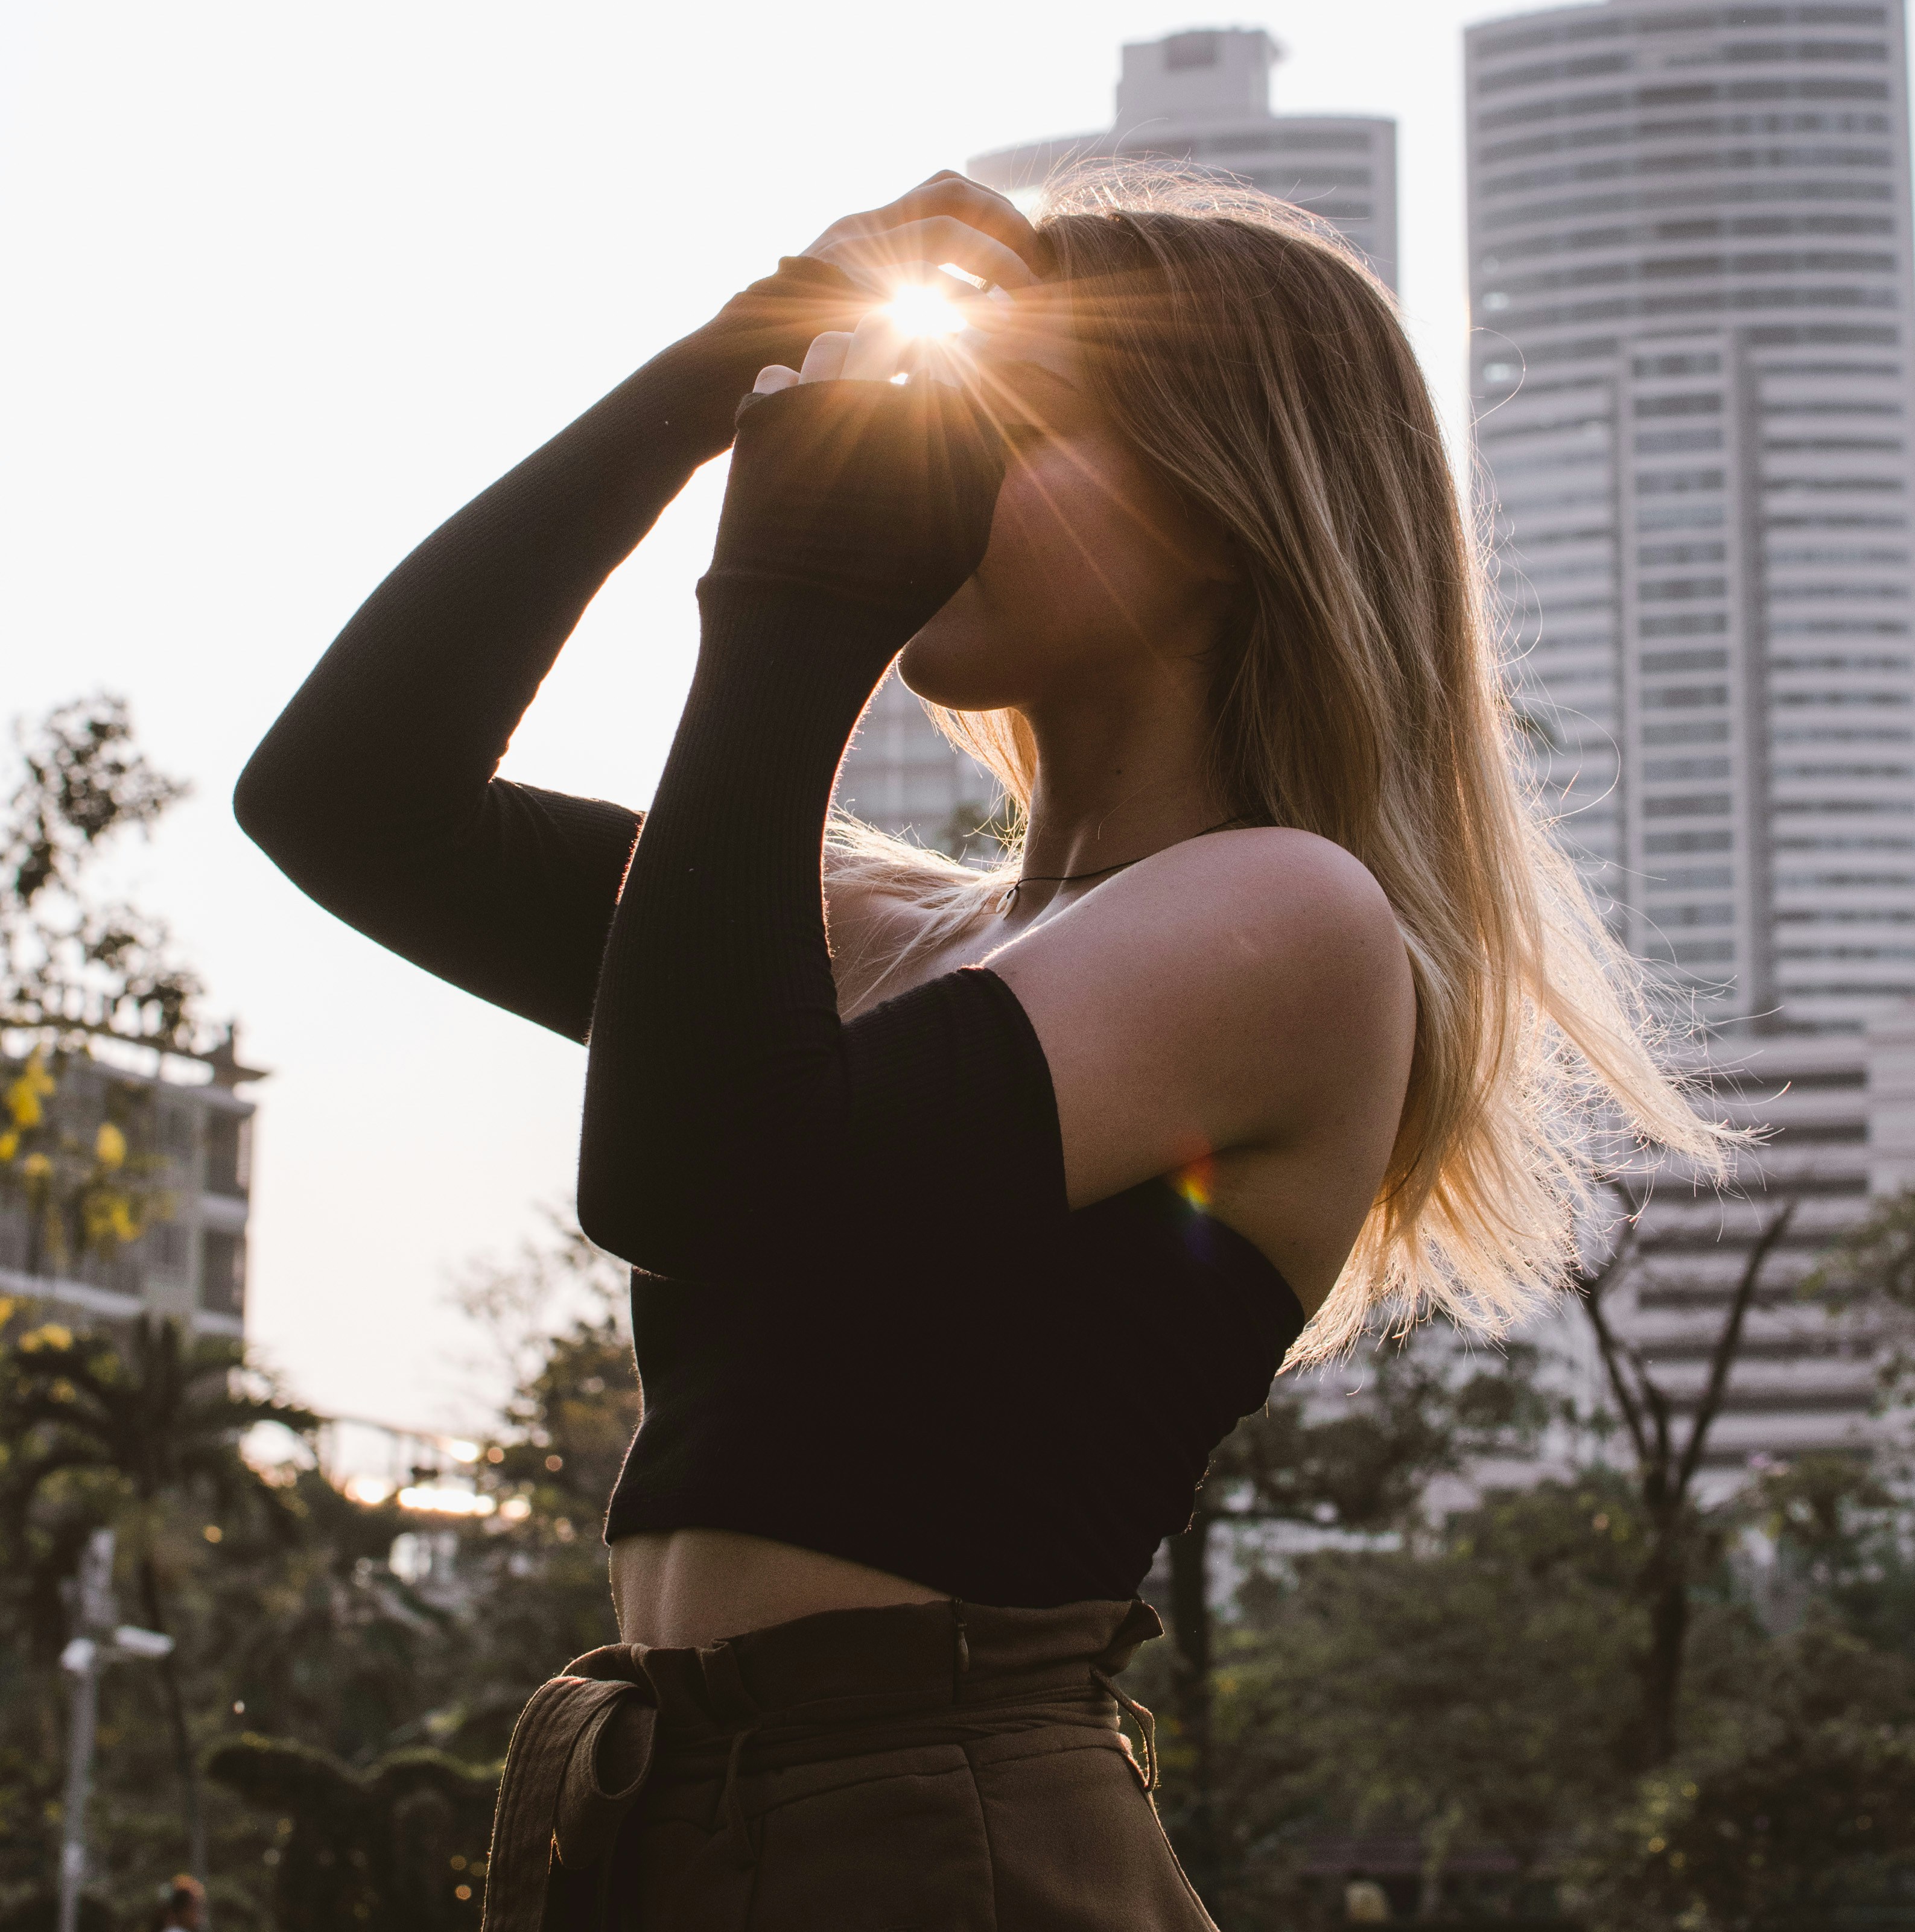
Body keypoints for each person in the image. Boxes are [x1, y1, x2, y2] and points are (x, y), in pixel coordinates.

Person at [235, 166, 1724, 1928]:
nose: (932, 472)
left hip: (937, 1841)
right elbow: (345, 802)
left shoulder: (1290, 920)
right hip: (670, 1821)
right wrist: (717, 370)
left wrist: (793, 602)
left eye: (1022, 428)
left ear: (1227, 512)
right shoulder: (887, 927)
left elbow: (698, 1180)